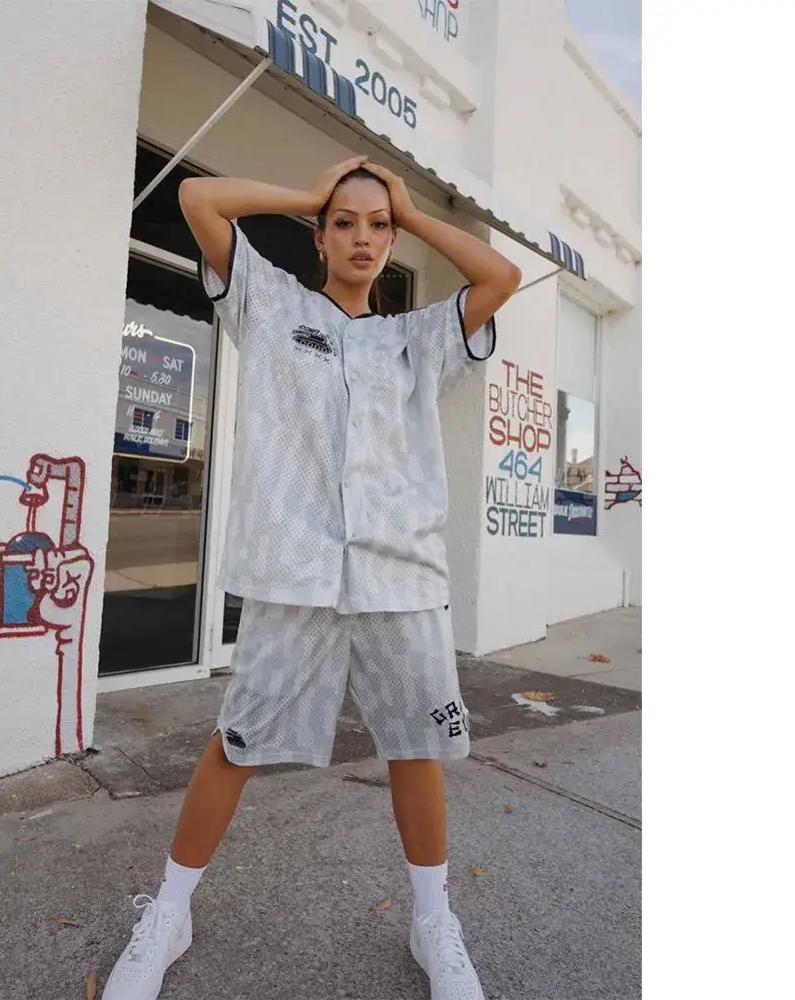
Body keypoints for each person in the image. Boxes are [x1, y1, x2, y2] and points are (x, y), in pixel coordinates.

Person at [102, 156, 521, 1000]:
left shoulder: (420, 338)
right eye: (345, 223)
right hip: (295, 574)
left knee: (417, 746)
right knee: (237, 741)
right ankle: (170, 915)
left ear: (393, 239)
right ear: (321, 237)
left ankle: (433, 920)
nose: (363, 237)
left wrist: (408, 206)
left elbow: (499, 276)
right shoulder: (270, 304)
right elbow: (197, 197)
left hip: (399, 577)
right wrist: (310, 192)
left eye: (378, 226)